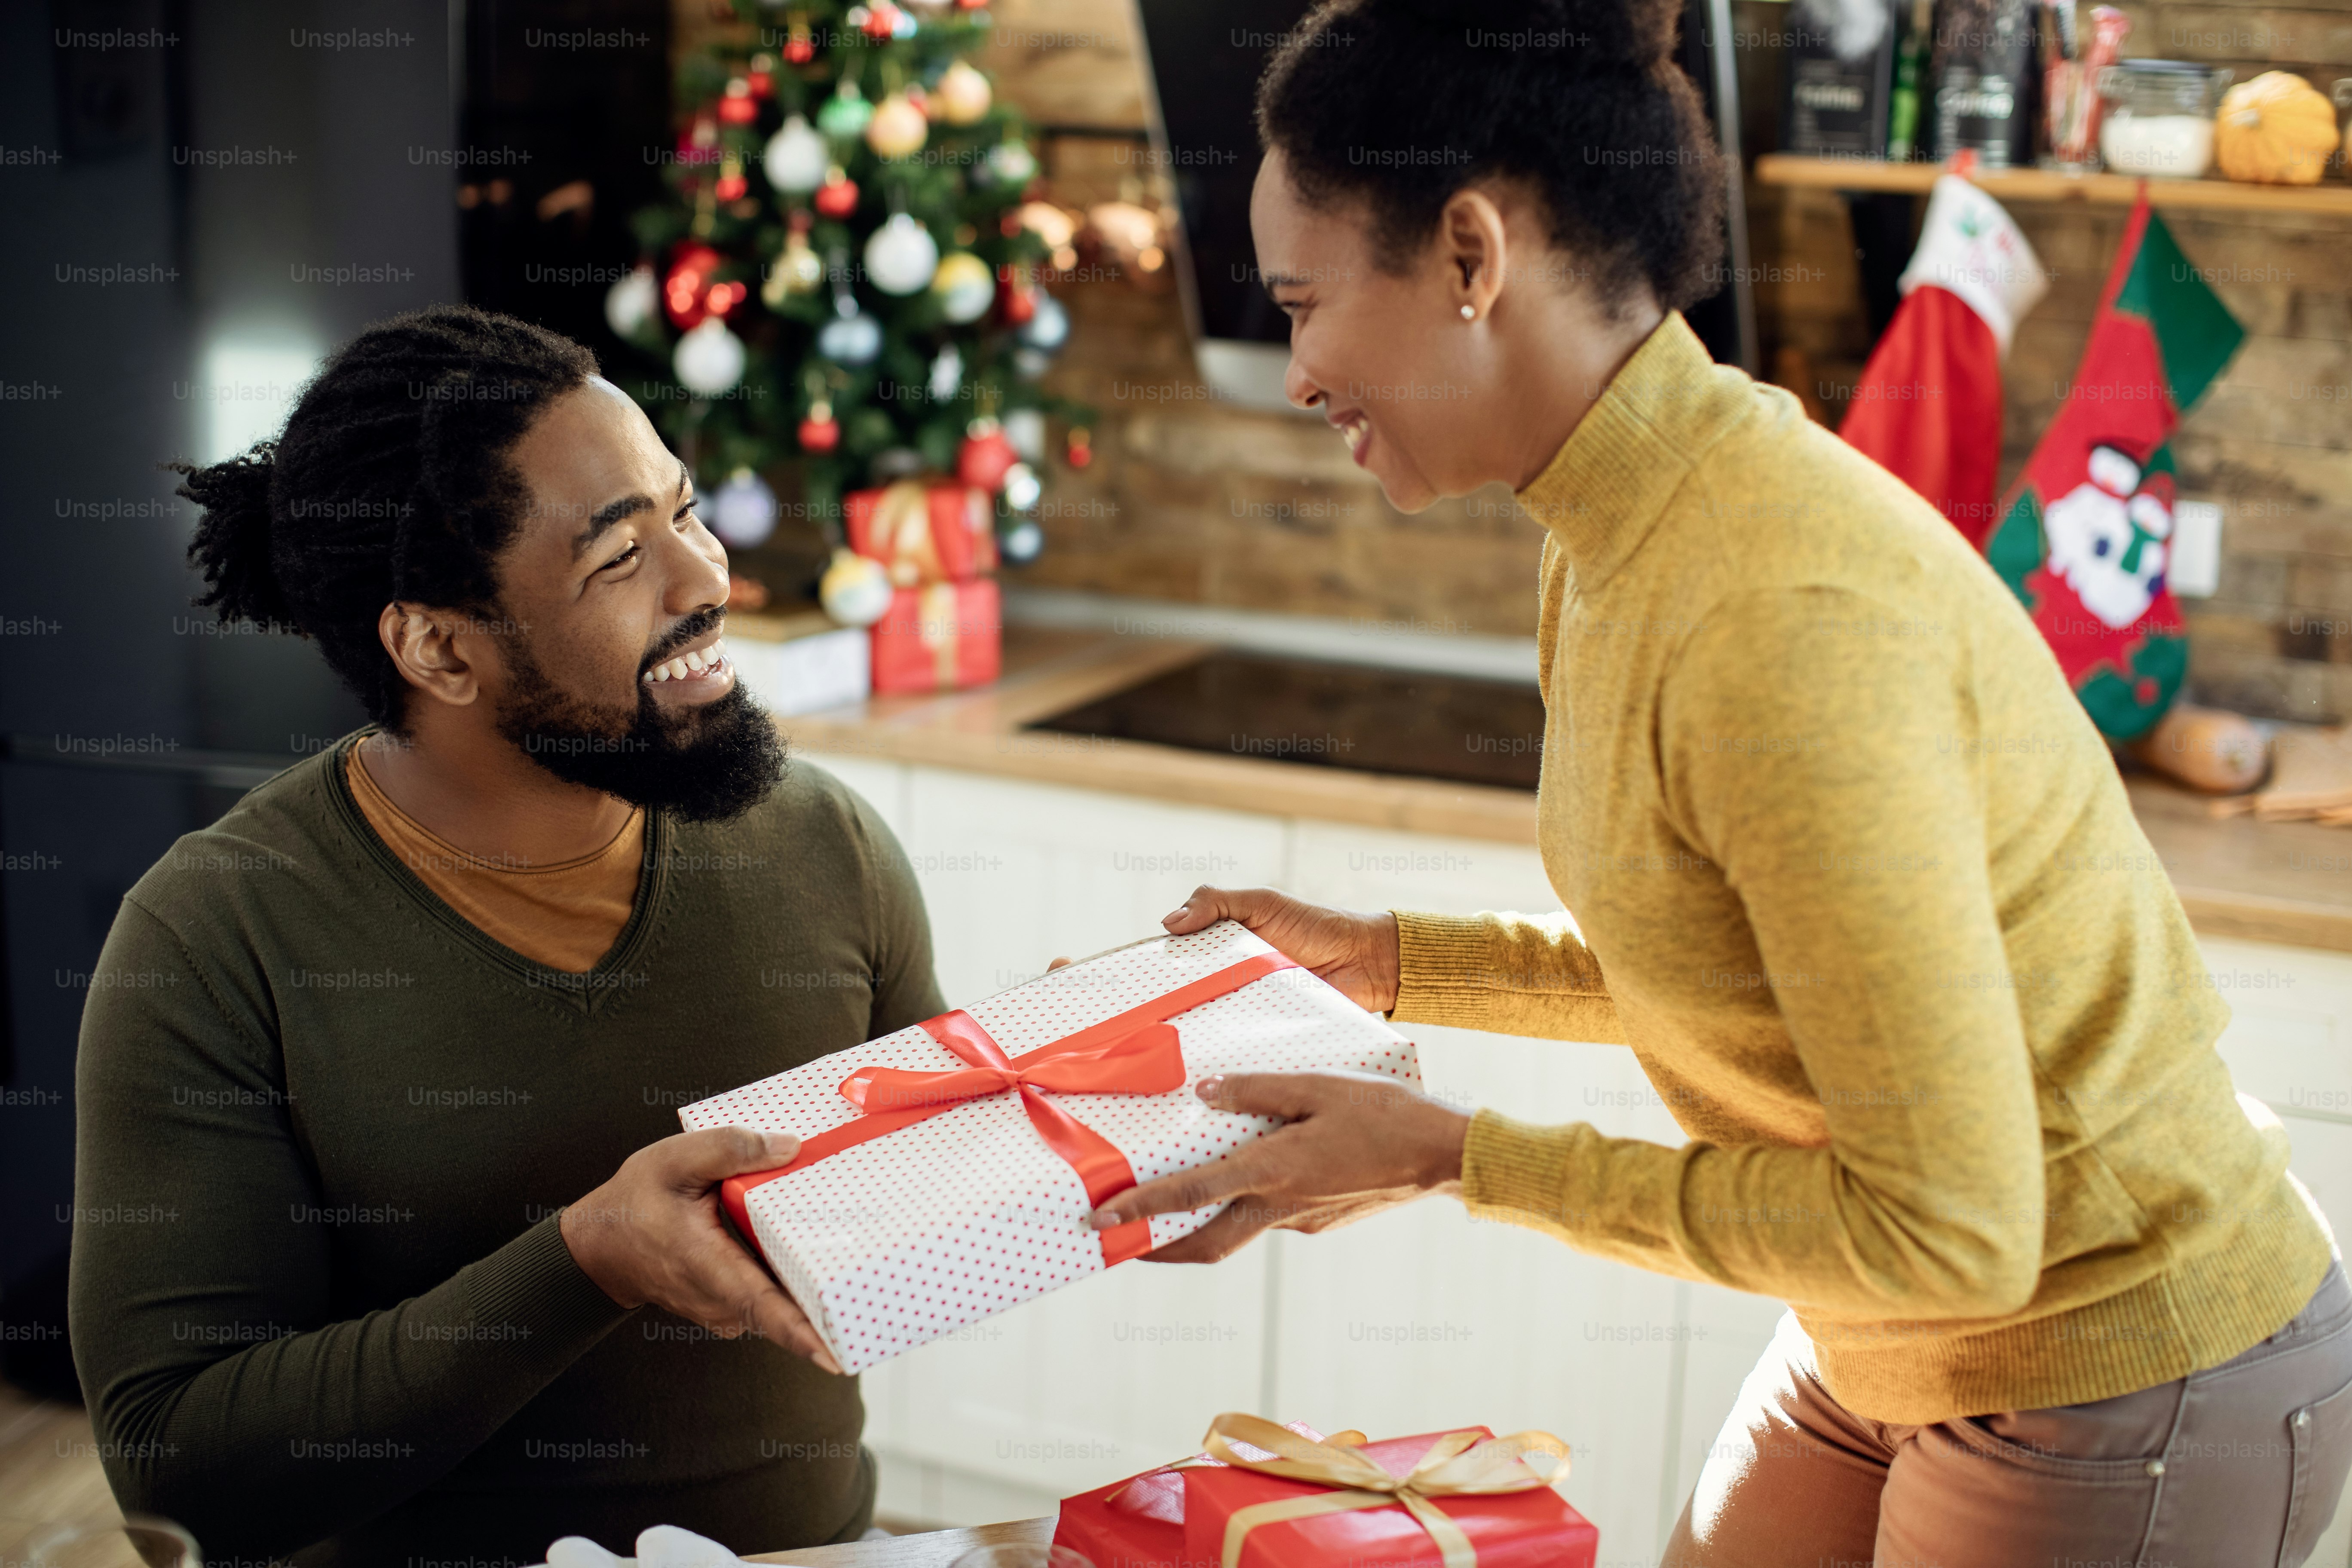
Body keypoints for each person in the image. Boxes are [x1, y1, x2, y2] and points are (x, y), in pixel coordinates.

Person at [1088, 3, 2352, 1563]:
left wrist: (1453, 1158)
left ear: (1473, 257)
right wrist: (1394, 961)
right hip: (1891, 1320)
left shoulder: (1772, 610)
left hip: (2111, 1346)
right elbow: (1735, 963)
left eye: (1304, 304)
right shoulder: (1615, 521)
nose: (1297, 372)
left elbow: (1956, 1226)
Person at [70, 307, 929, 1568]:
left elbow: (919, 1208)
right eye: (620, 557)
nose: (707, 578)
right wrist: (586, 1259)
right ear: (436, 648)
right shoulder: (215, 938)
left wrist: (1069, 1073)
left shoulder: (822, 842)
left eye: (684, 512)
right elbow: (183, 1468)